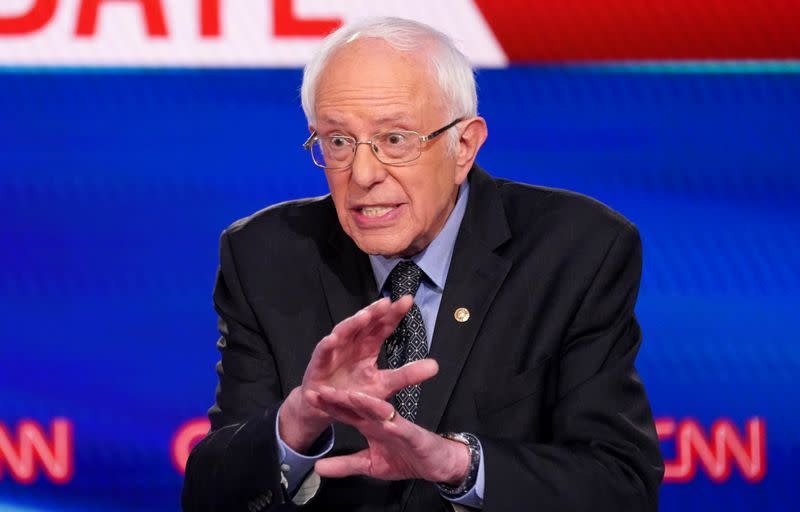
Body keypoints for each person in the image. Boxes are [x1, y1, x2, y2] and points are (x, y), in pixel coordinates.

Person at [181, 16, 664, 512]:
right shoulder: (266, 255)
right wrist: (295, 423)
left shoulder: (575, 251)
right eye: (338, 142)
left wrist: (458, 464)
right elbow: (209, 499)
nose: (363, 174)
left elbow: (620, 486)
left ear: (464, 146)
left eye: (395, 139)